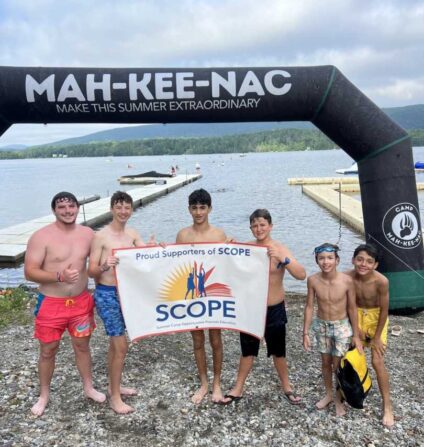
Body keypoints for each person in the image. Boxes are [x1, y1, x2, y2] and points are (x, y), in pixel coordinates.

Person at [24, 192, 106, 416]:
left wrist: (143, 247)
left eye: (71, 206)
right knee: (48, 350)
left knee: (82, 346)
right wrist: (59, 276)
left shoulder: (88, 234)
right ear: (54, 210)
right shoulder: (41, 237)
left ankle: (88, 387)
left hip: (80, 303)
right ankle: (44, 394)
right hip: (51, 304)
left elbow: (108, 252)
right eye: (62, 207)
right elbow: (29, 271)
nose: (68, 211)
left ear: (78, 208)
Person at [226, 209, 306, 405]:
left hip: (274, 308)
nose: (258, 229)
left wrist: (283, 259)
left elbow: (301, 275)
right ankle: (238, 388)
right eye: (254, 225)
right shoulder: (246, 248)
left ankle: (286, 386)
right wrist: (226, 248)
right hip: (251, 308)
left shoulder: (280, 249)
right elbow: (227, 267)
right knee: (247, 351)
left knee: (278, 351)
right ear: (250, 228)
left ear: (271, 226)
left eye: (262, 225)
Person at [88, 191, 153, 414]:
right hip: (107, 294)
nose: (123, 211)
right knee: (121, 347)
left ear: (131, 210)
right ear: (112, 209)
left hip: (128, 293)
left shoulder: (132, 233)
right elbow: (91, 271)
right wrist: (105, 265)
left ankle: (114, 385)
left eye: (127, 208)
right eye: (119, 207)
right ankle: (115, 397)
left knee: (115, 347)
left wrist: (155, 248)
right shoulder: (100, 236)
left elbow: (146, 255)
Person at [176, 188, 230, 405]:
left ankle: (217, 382)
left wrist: (233, 248)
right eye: (194, 208)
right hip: (192, 294)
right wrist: (158, 251)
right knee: (197, 340)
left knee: (215, 340)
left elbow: (226, 264)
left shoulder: (218, 234)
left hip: (213, 293)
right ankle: (204, 382)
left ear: (210, 208)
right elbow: (172, 263)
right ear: (189, 209)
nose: (198, 212)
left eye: (202, 208)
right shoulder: (182, 235)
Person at [303, 242, 362, 417]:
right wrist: (305, 332)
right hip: (321, 325)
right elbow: (309, 307)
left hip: (342, 326)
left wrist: (356, 335)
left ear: (337, 260)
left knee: (338, 365)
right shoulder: (313, 280)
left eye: (330, 258)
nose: (326, 262)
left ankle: (338, 398)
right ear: (317, 261)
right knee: (325, 363)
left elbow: (352, 308)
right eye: (321, 258)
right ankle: (328, 394)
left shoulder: (347, 281)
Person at [346, 243, 394, 427]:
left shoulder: (381, 281)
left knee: (377, 360)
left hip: (376, 318)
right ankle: (345, 393)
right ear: (353, 260)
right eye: (359, 259)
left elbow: (384, 310)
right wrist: (355, 329)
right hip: (355, 314)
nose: (363, 264)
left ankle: (387, 405)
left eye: (369, 261)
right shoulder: (347, 277)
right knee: (349, 356)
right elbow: (344, 302)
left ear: (375, 265)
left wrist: (376, 337)